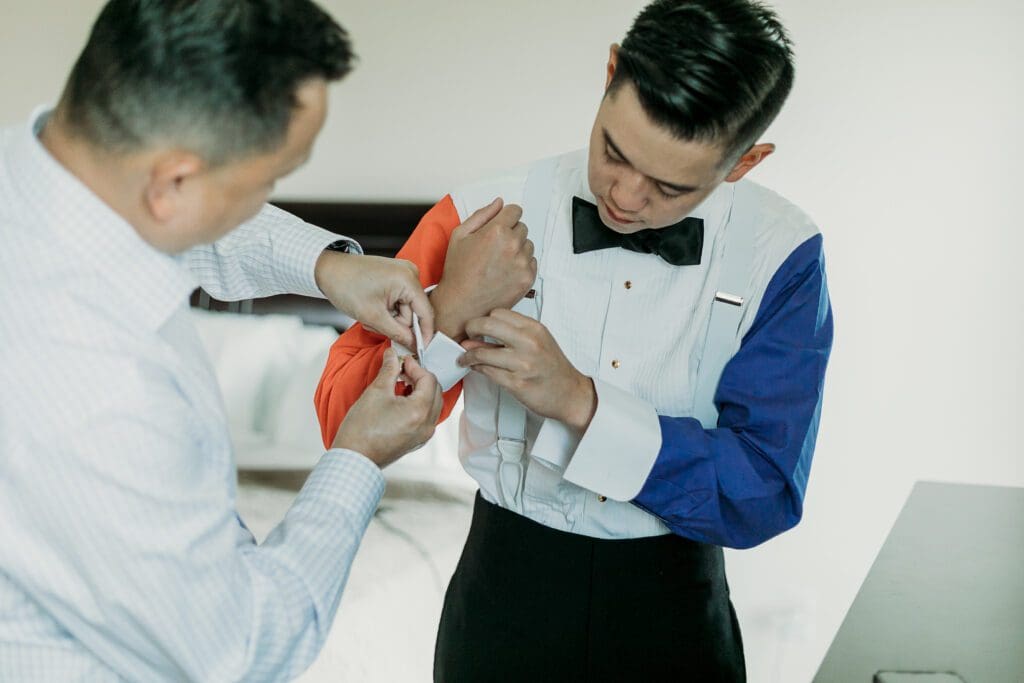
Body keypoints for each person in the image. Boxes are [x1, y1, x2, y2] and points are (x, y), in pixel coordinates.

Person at [0, 0, 520, 680]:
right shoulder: (96, 387)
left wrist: (325, 266)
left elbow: (149, 221)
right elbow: (239, 650)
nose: (270, 194)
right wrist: (358, 456)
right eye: (270, 179)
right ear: (175, 182)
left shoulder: (42, 175)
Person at [315, 0, 834, 680]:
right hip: (499, 600)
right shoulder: (478, 212)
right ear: (611, 70)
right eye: (614, 151)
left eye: (670, 186)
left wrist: (583, 404)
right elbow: (341, 422)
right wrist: (450, 308)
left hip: (678, 613)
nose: (623, 196)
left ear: (745, 162)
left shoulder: (784, 255)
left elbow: (763, 490)